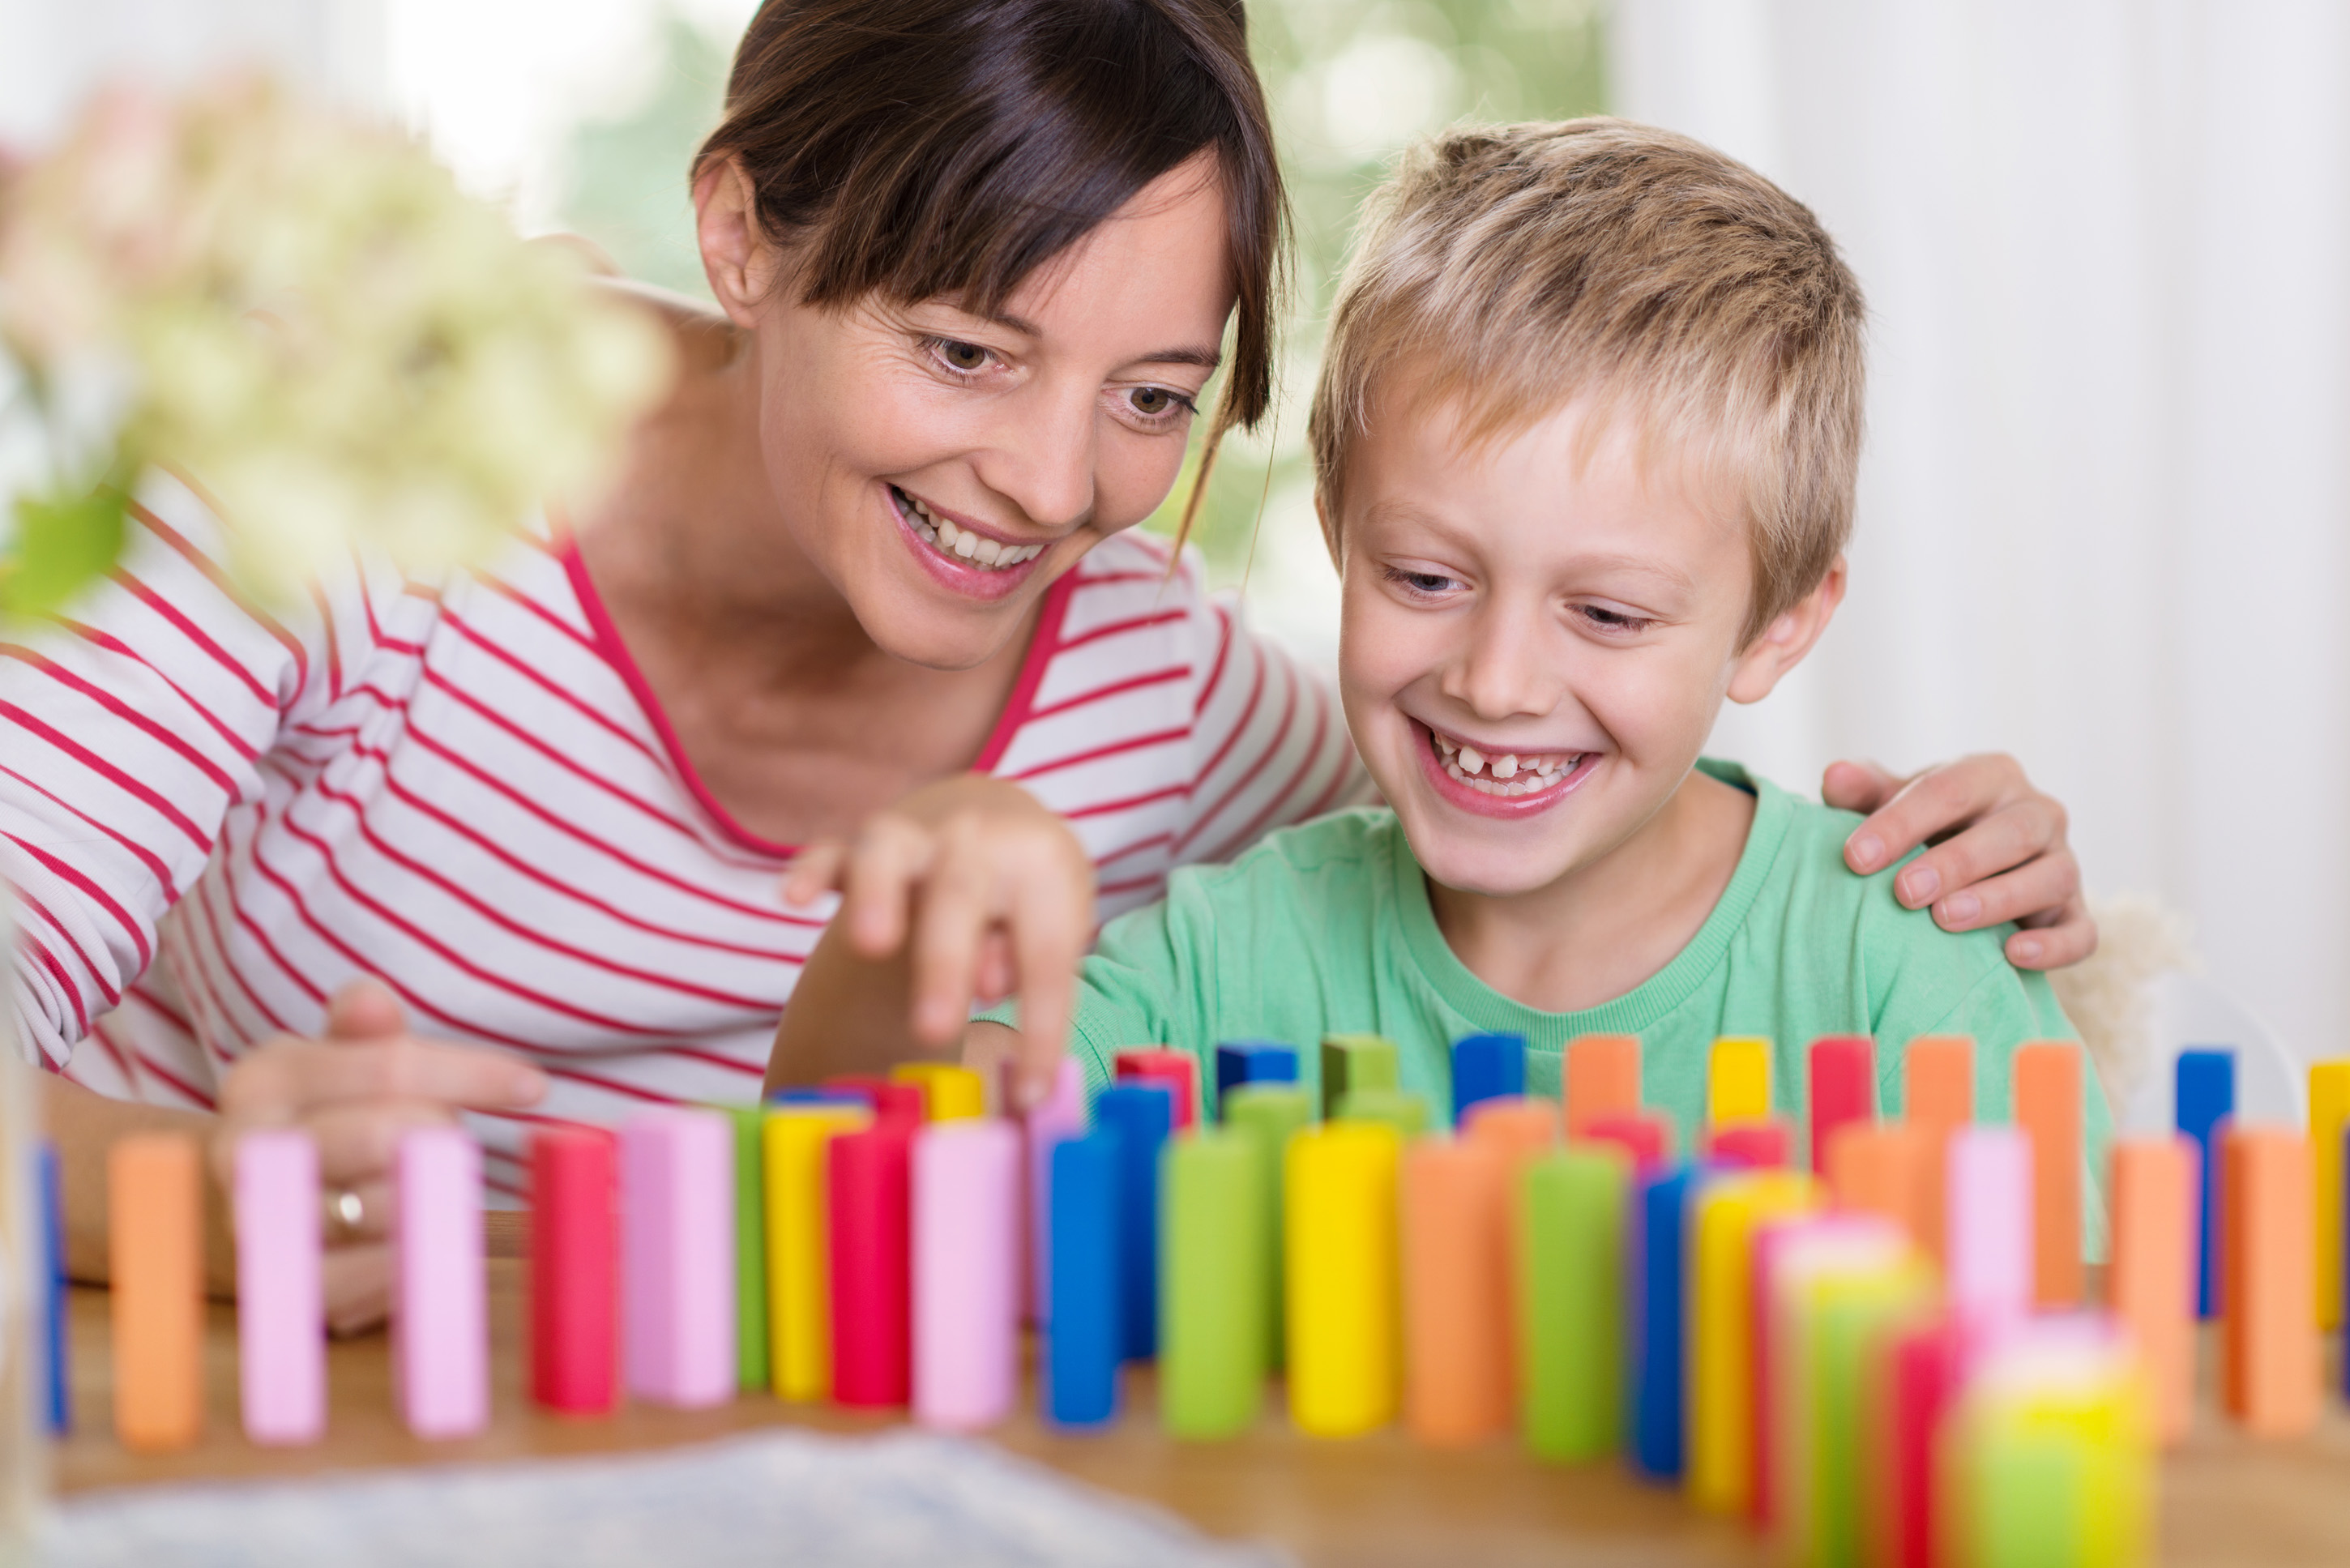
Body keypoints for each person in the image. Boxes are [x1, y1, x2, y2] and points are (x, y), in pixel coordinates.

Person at [4, 4, 2084, 1332]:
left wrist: (1984, 880)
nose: (1047, 483)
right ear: (743, 231)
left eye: (1155, 394)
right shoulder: (362, 480)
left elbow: (1503, 831)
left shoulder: (1161, 694)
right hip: (215, 1403)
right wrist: (176, 1195)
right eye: (966, 350)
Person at [770, 118, 2111, 1246]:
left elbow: (2079, 1378)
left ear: (1775, 626)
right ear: (1340, 534)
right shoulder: (1228, 957)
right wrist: (923, 905)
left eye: (1606, 612)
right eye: (1426, 579)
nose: (1499, 680)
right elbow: (912, 1188)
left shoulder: (1904, 978)